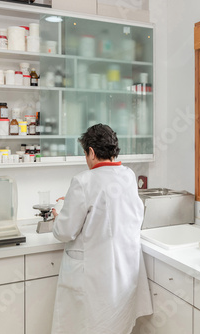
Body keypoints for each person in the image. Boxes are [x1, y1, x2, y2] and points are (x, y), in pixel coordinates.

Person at [51, 124, 152, 334]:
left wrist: (59, 215)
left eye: (86, 154)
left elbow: (64, 232)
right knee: (116, 325)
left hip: (94, 278)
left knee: (87, 326)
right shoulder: (128, 176)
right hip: (122, 275)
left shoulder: (83, 181)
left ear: (91, 152)